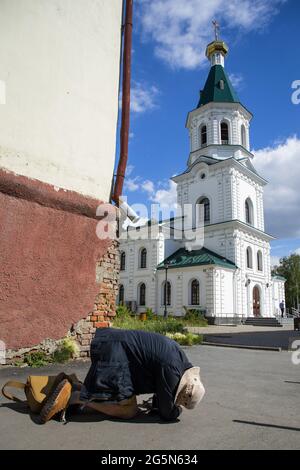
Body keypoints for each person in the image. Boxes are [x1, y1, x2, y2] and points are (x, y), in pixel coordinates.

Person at [38, 328, 205, 423]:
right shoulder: (172, 372)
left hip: (112, 343)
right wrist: (177, 410)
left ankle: (75, 387)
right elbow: (167, 413)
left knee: (118, 396)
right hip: (115, 354)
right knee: (130, 410)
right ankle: (76, 397)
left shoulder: (179, 358)